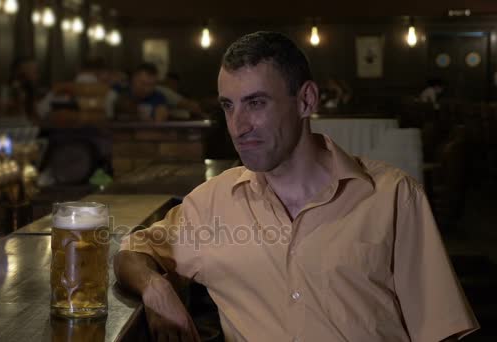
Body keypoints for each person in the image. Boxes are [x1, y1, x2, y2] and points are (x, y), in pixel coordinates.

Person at [114, 31, 479, 341]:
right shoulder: (212, 204)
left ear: (306, 100)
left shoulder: (393, 195)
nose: (238, 127)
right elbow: (131, 252)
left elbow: (441, 331)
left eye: (256, 103)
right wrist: (154, 287)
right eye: (229, 106)